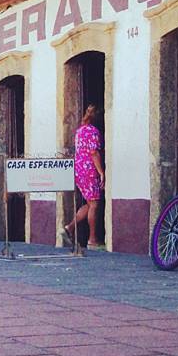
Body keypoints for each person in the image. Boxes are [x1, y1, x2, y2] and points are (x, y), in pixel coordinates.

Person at [64, 104, 106, 249]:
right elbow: (94, 153)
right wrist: (101, 173)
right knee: (94, 204)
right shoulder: (93, 131)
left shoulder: (80, 131)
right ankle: (92, 239)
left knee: (89, 204)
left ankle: (69, 227)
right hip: (89, 171)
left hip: (79, 170)